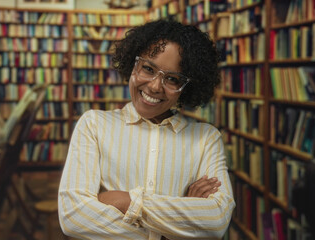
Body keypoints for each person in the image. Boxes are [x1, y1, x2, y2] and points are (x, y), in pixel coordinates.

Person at [58, 19, 235, 239]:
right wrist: (180, 221)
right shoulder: (94, 125)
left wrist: (127, 202)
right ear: (132, 64)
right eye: (148, 68)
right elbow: (73, 217)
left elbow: (216, 221)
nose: (154, 86)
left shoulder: (206, 138)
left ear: (187, 87)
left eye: (172, 79)